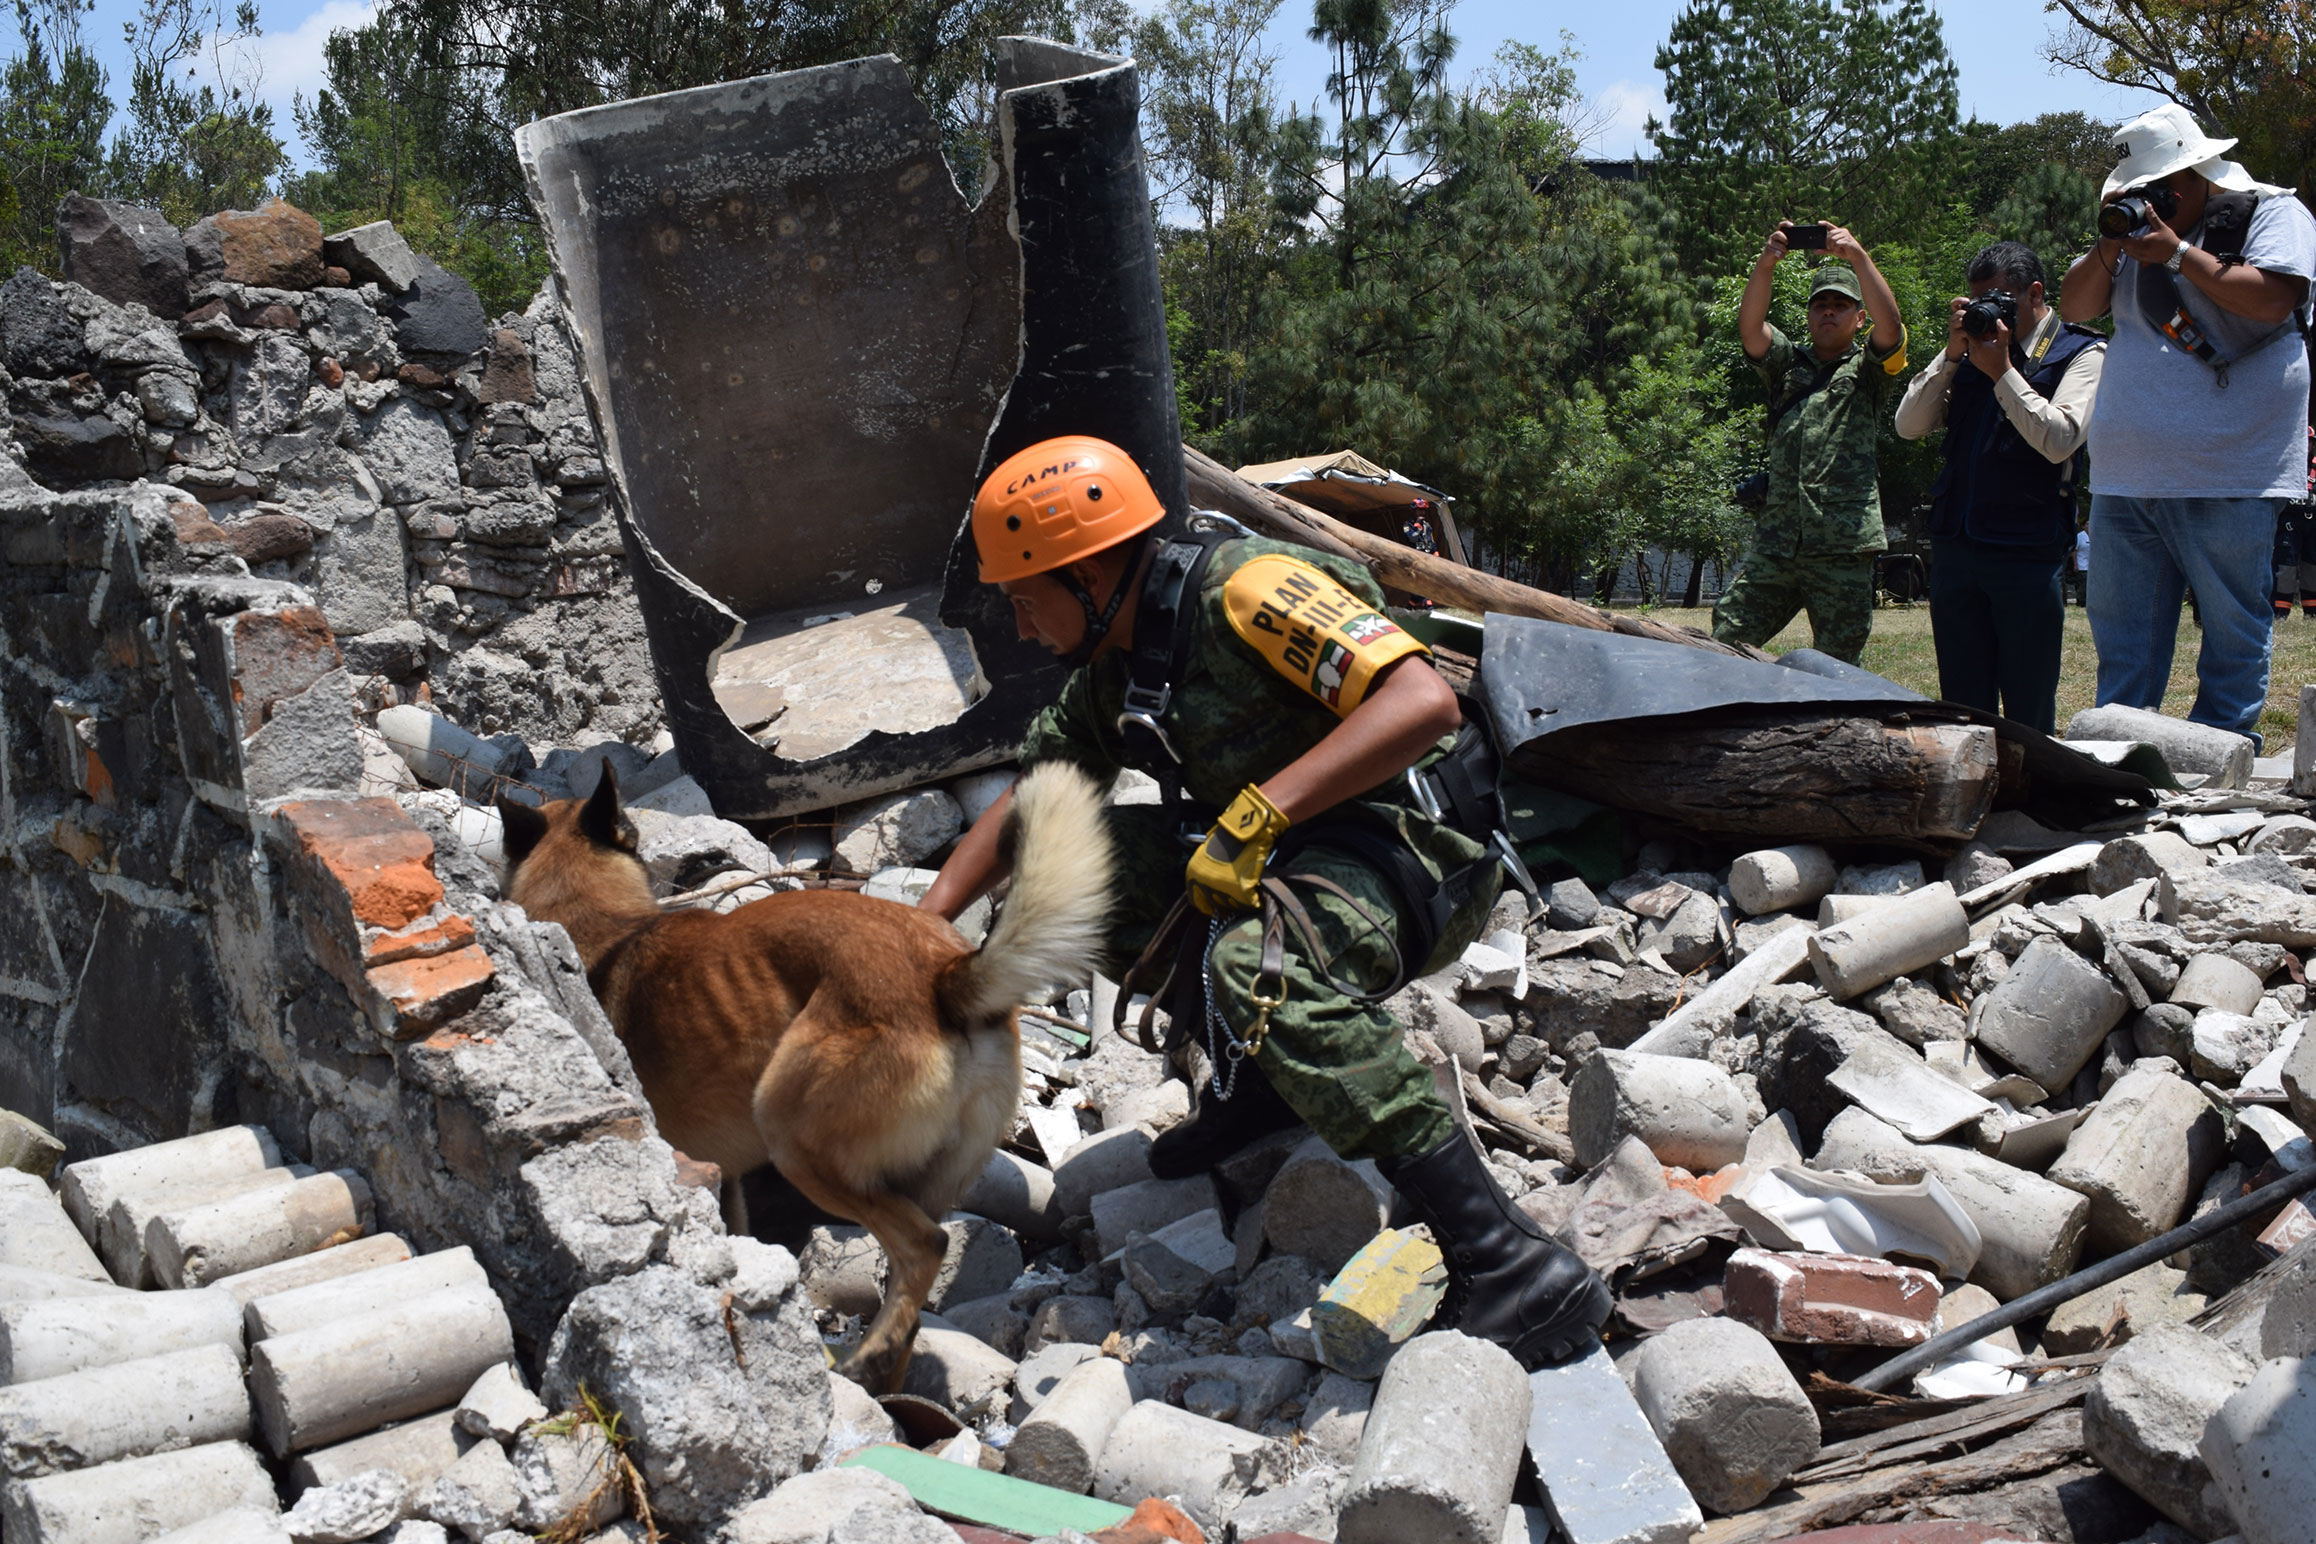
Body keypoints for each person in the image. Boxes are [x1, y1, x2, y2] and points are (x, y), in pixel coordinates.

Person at [920, 435, 1612, 1369]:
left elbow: (1421, 703)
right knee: (1085, 876)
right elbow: (1032, 803)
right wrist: (923, 926)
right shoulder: (1119, 667)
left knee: (1261, 971)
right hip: (1294, 847)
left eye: (1023, 597)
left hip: (1416, 850)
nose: (1019, 623)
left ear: (1086, 573)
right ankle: (1261, 1091)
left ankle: (1510, 1261)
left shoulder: (1248, 589)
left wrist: (1256, 816)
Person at [2059, 103, 2316, 745]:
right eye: (2137, 190)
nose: (2153, 199)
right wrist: (2110, 243)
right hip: (2125, 475)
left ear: (2201, 171)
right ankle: (2120, 759)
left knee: (2232, 630)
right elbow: (2074, 306)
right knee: (2123, 641)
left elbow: (2274, 295)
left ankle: (2219, 756)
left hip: (2229, 467)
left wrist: (2175, 255)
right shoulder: (2132, 235)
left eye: (2162, 187)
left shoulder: (2271, 210)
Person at [1895, 240, 2106, 733]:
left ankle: (2031, 796)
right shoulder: (1970, 350)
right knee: (1963, 705)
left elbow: (2059, 440)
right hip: (1956, 545)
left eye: (1999, 299)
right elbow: (1908, 425)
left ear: (2035, 293)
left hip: (2026, 550)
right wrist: (1951, 355)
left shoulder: (2083, 351)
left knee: (2028, 705)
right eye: (1977, 301)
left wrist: (2003, 373)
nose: (1989, 312)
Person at [1713, 223, 1909, 664]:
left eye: (1841, 305)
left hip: (1842, 545)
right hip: (1779, 540)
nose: (1829, 312)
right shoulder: (1787, 364)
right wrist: (1766, 265)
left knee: (1838, 662)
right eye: (1820, 305)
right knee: (1727, 636)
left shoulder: (1870, 370)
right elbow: (1750, 330)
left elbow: (1892, 328)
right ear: (1808, 315)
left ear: (1859, 318)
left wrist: (1858, 257)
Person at [2275, 424, 2315, 621]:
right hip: (2289, 524)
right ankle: (2281, 612)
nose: (2306, 446)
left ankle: (2312, 613)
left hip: (2313, 525)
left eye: (2309, 442)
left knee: (2313, 568)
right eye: (2303, 441)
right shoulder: (2284, 465)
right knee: (2285, 567)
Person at [2072, 514, 2091, 607]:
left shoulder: (2095, 536)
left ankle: (2088, 602)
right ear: (2083, 526)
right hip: (2082, 564)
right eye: (2087, 524)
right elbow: (2074, 550)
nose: (2089, 526)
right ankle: (2080, 602)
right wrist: (2075, 564)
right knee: (2083, 583)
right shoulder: (2079, 536)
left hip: (2093, 566)